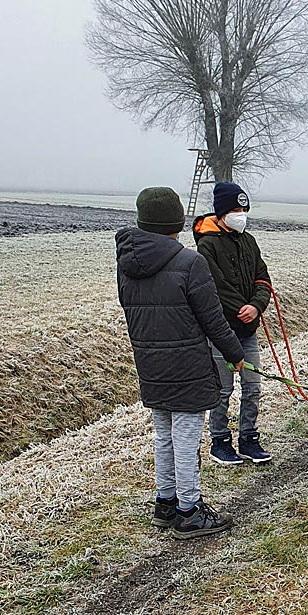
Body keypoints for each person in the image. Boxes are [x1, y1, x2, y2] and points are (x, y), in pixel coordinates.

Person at [116, 187, 244, 540]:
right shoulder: (190, 262)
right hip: (187, 366)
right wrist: (236, 355)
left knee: (164, 436)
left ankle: (166, 503)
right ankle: (189, 512)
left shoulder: (125, 263)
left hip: (150, 364)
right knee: (186, 439)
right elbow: (213, 320)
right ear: (177, 221)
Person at [192, 182, 272, 466]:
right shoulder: (207, 246)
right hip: (219, 330)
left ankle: (249, 438)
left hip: (248, 331)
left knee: (253, 386)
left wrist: (257, 306)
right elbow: (215, 286)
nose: (241, 214)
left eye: (244, 209)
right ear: (223, 212)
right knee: (223, 389)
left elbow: (263, 279)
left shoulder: (249, 241)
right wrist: (241, 307)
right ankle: (220, 441)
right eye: (236, 209)